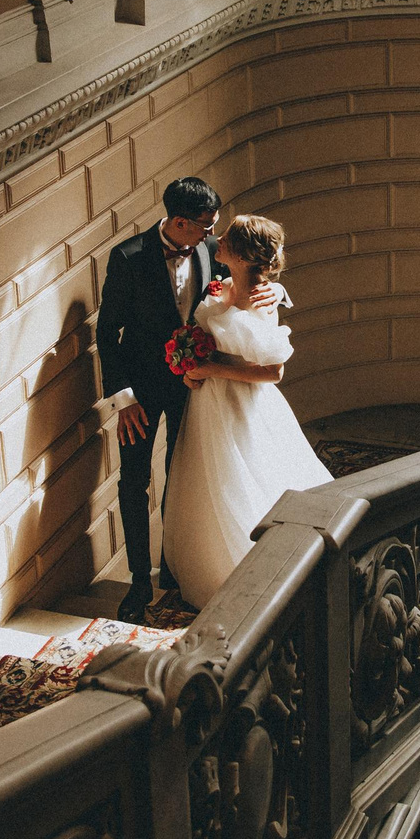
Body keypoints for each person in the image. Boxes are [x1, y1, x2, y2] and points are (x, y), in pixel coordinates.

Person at [159, 214, 333, 609]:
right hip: (209, 402)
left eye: (228, 238)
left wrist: (211, 369)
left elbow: (273, 371)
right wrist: (192, 371)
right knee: (207, 483)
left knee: (242, 479)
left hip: (242, 405)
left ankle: (259, 578)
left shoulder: (261, 299)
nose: (217, 239)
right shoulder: (224, 285)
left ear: (242, 254)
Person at [96, 177, 220, 624]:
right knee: (134, 482)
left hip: (192, 384)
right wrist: (123, 399)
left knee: (180, 475)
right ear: (180, 222)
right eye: (205, 225)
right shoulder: (128, 259)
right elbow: (106, 334)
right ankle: (138, 581)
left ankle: (173, 565)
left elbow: (234, 285)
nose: (211, 233)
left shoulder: (208, 247)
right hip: (141, 390)